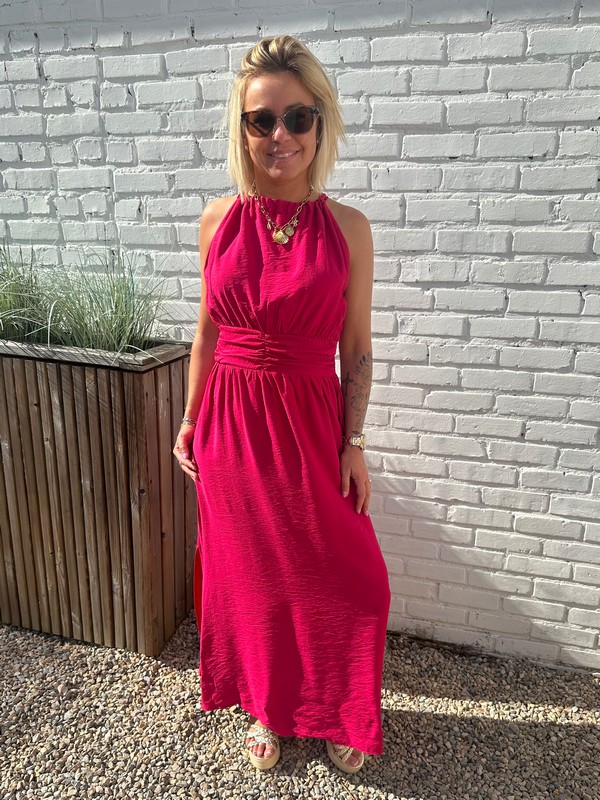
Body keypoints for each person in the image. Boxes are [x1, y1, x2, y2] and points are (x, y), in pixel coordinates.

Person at [173, 35, 391, 774]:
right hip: (230, 423)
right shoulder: (217, 220)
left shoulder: (349, 229)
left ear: (320, 125)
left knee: (351, 577)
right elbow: (206, 333)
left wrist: (354, 442)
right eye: (261, 120)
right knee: (255, 575)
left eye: (297, 117)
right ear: (241, 130)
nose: (280, 135)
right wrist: (189, 419)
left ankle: (339, 707)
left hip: (310, 421)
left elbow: (355, 346)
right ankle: (268, 704)